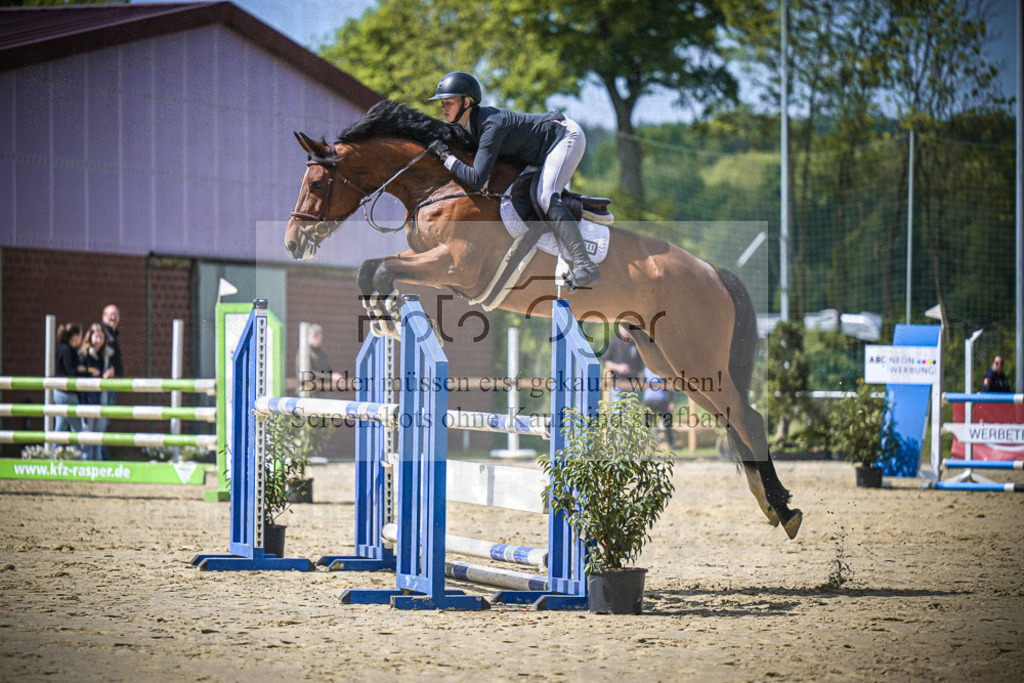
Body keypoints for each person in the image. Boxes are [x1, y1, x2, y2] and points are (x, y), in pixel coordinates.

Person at [425, 71, 600, 288]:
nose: (443, 107)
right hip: (535, 152)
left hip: (564, 137)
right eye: (442, 103)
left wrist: (445, 157)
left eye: (449, 102)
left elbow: (477, 179)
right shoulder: (467, 125)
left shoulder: (491, 126)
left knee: (546, 197)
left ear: (467, 102)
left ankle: (585, 265)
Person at [79, 323, 115, 460]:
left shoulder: (105, 355)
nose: (99, 340)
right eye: (96, 337)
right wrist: (92, 372)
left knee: (99, 433)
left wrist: (109, 374)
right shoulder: (84, 354)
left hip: (102, 396)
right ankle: (86, 464)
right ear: (90, 337)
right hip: (88, 398)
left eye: (101, 337)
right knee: (88, 433)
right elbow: (79, 370)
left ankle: (97, 465)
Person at [53, 322, 85, 435]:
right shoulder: (68, 350)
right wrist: (82, 370)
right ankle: (80, 452)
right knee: (77, 428)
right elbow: (70, 371)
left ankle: (54, 451)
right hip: (68, 393)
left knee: (60, 426)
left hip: (57, 391)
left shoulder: (59, 347)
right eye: (81, 335)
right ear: (75, 336)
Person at [603, 322, 644, 401]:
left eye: (627, 327)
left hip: (632, 384)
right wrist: (618, 367)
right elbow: (606, 361)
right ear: (619, 328)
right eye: (623, 327)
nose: (625, 330)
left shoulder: (636, 345)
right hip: (617, 383)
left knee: (632, 411)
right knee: (617, 410)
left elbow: (640, 366)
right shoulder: (614, 343)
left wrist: (640, 382)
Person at [296, 324, 343, 394]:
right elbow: (308, 374)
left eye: (318, 336)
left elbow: (328, 369)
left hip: (321, 391)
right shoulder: (304, 352)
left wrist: (335, 376)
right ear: (308, 337)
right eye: (314, 336)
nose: (316, 339)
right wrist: (330, 377)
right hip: (308, 392)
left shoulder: (322, 353)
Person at [643, 367, 675, 449]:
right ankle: (643, 444)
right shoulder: (646, 368)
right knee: (647, 424)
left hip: (662, 400)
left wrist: (670, 400)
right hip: (649, 400)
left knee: (667, 424)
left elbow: (669, 384)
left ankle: (671, 444)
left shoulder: (662, 369)